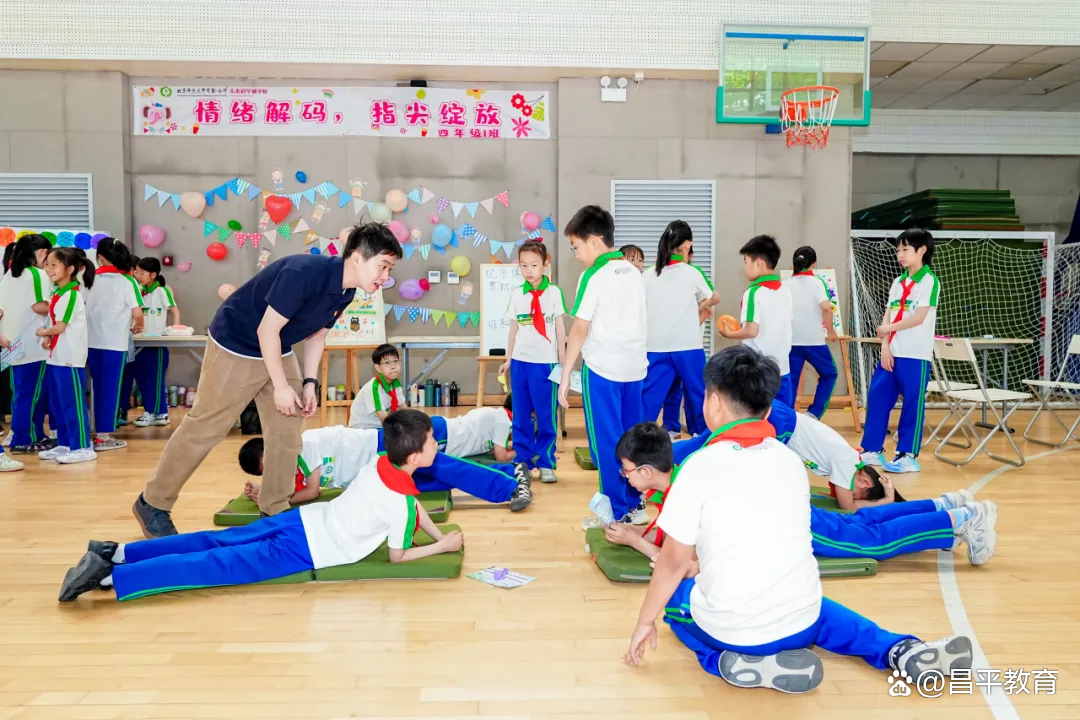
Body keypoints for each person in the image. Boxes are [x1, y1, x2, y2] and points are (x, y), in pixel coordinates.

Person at [622, 346, 973, 693]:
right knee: (811, 605)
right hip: (802, 622)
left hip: (740, 633)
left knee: (673, 601)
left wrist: (642, 623)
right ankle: (901, 649)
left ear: (713, 403)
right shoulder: (788, 460)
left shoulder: (698, 467)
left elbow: (672, 564)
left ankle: (730, 661)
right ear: (767, 408)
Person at [132, 223, 403, 538]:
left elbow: (317, 335)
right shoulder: (303, 273)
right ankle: (153, 502)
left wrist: (309, 382)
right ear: (357, 258)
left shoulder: (346, 291)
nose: (386, 276)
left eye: (390, 268)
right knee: (206, 427)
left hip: (277, 346)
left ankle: (274, 507)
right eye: (383, 266)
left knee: (287, 430)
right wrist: (281, 387)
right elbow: (266, 330)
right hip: (236, 343)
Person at [58, 409, 465, 602]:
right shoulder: (398, 501)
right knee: (217, 565)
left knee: (216, 541)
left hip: (301, 520)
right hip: (308, 548)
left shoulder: (381, 464)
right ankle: (111, 577)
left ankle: (118, 551)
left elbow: (414, 506)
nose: (436, 444)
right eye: (432, 440)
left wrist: (439, 534)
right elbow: (397, 555)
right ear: (415, 456)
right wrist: (440, 546)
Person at [608, 420, 998, 570]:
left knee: (871, 542)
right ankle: (941, 505)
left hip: (786, 524)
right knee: (862, 521)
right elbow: (668, 530)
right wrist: (637, 530)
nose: (624, 478)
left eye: (626, 471)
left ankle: (963, 520)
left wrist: (633, 540)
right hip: (782, 507)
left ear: (647, 471)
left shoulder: (683, 491)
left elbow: (681, 562)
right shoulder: (677, 478)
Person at [240, 410, 533, 512]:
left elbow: (311, 491)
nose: (276, 470)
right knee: (427, 482)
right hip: (369, 474)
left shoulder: (305, 445)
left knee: (440, 466)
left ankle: (509, 487)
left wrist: (270, 497)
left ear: (274, 449)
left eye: (272, 464)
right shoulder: (288, 465)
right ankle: (510, 469)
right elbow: (291, 487)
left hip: (377, 448)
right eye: (268, 472)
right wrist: (267, 491)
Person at [560, 206, 648, 527]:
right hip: (635, 370)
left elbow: (579, 329)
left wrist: (566, 374)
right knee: (632, 440)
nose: (576, 254)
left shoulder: (592, 276)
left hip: (603, 372)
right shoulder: (633, 272)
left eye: (576, 246)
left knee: (607, 443)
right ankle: (635, 504)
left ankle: (615, 511)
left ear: (595, 242)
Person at [860, 229, 941, 474]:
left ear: (922, 250)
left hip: (915, 355)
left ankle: (907, 455)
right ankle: (871, 449)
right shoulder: (898, 282)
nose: (900, 255)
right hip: (891, 352)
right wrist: (885, 346)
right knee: (877, 398)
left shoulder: (929, 281)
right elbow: (889, 313)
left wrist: (887, 329)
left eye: (905, 249)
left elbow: (919, 317)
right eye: (898, 250)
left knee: (912, 405)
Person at [641, 221, 720, 438]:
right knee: (698, 394)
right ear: (687, 245)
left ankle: (640, 442)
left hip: (655, 346)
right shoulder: (692, 272)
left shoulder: (648, 274)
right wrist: (700, 307)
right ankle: (703, 439)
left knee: (649, 397)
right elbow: (715, 297)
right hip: (688, 346)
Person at [498, 241, 567, 484]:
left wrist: (563, 362)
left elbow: (560, 328)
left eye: (534, 265)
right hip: (520, 363)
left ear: (545, 265)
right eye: (523, 265)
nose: (529, 270)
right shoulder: (517, 294)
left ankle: (546, 462)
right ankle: (523, 461)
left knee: (547, 416)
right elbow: (513, 328)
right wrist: (509, 358)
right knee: (521, 414)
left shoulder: (554, 293)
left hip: (546, 364)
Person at [718, 235, 794, 407]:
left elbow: (752, 330)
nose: (745, 267)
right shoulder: (786, 291)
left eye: (746, 262)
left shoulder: (753, 293)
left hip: (757, 371)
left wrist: (729, 334)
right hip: (782, 368)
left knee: (754, 415)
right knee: (783, 416)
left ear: (758, 263)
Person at [37, 248, 97, 464]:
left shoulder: (72, 294)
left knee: (72, 403)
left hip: (69, 358)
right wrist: (48, 336)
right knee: (57, 404)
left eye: (54, 265)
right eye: (47, 264)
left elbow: (61, 326)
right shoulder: (58, 293)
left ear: (70, 269)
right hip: (55, 356)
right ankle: (65, 443)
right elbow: (55, 322)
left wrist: (44, 332)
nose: (48, 269)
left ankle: (82, 446)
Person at [86, 238, 144, 452]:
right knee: (110, 388)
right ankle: (103, 436)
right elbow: (137, 312)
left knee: (95, 387)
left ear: (101, 257)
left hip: (89, 342)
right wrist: (139, 326)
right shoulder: (127, 281)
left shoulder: (89, 278)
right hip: (115, 343)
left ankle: (90, 431)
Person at [0, 234, 55, 459]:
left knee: (22, 393)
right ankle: (25, 439)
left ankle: (34, 434)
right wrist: (63, 304)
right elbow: (39, 306)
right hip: (32, 343)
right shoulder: (36, 274)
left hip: (12, 343)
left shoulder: (9, 275)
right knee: (32, 394)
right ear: (43, 253)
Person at [786, 246, 839, 419]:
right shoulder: (817, 283)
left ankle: (787, 417)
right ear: (813, 265)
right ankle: (814, 413)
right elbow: (826, 307)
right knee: (829, 373)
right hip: (813, 341)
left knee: (790, 380)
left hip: (791, 341)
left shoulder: (784, 285)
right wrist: (831, 331)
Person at [131, 257, 180, 427]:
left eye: (142, 273)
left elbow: (174, 310)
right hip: (140, 342)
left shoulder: (162, 291)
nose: (138, 275)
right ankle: (150, 412)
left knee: (155, 378)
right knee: (142, 378)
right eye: (136, 272)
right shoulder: (139, 291)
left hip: (156, 342)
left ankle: (161, 413)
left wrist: (175, 328)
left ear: (153, 274)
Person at [349, 343, 407, 430]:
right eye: (387, 362)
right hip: (364, 429)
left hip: (379, 427)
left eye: (395, 361)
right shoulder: (373, 388)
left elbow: (405, 411)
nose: (393, 366)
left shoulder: (395, 384)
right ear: (378, 367)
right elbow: (384, 419)